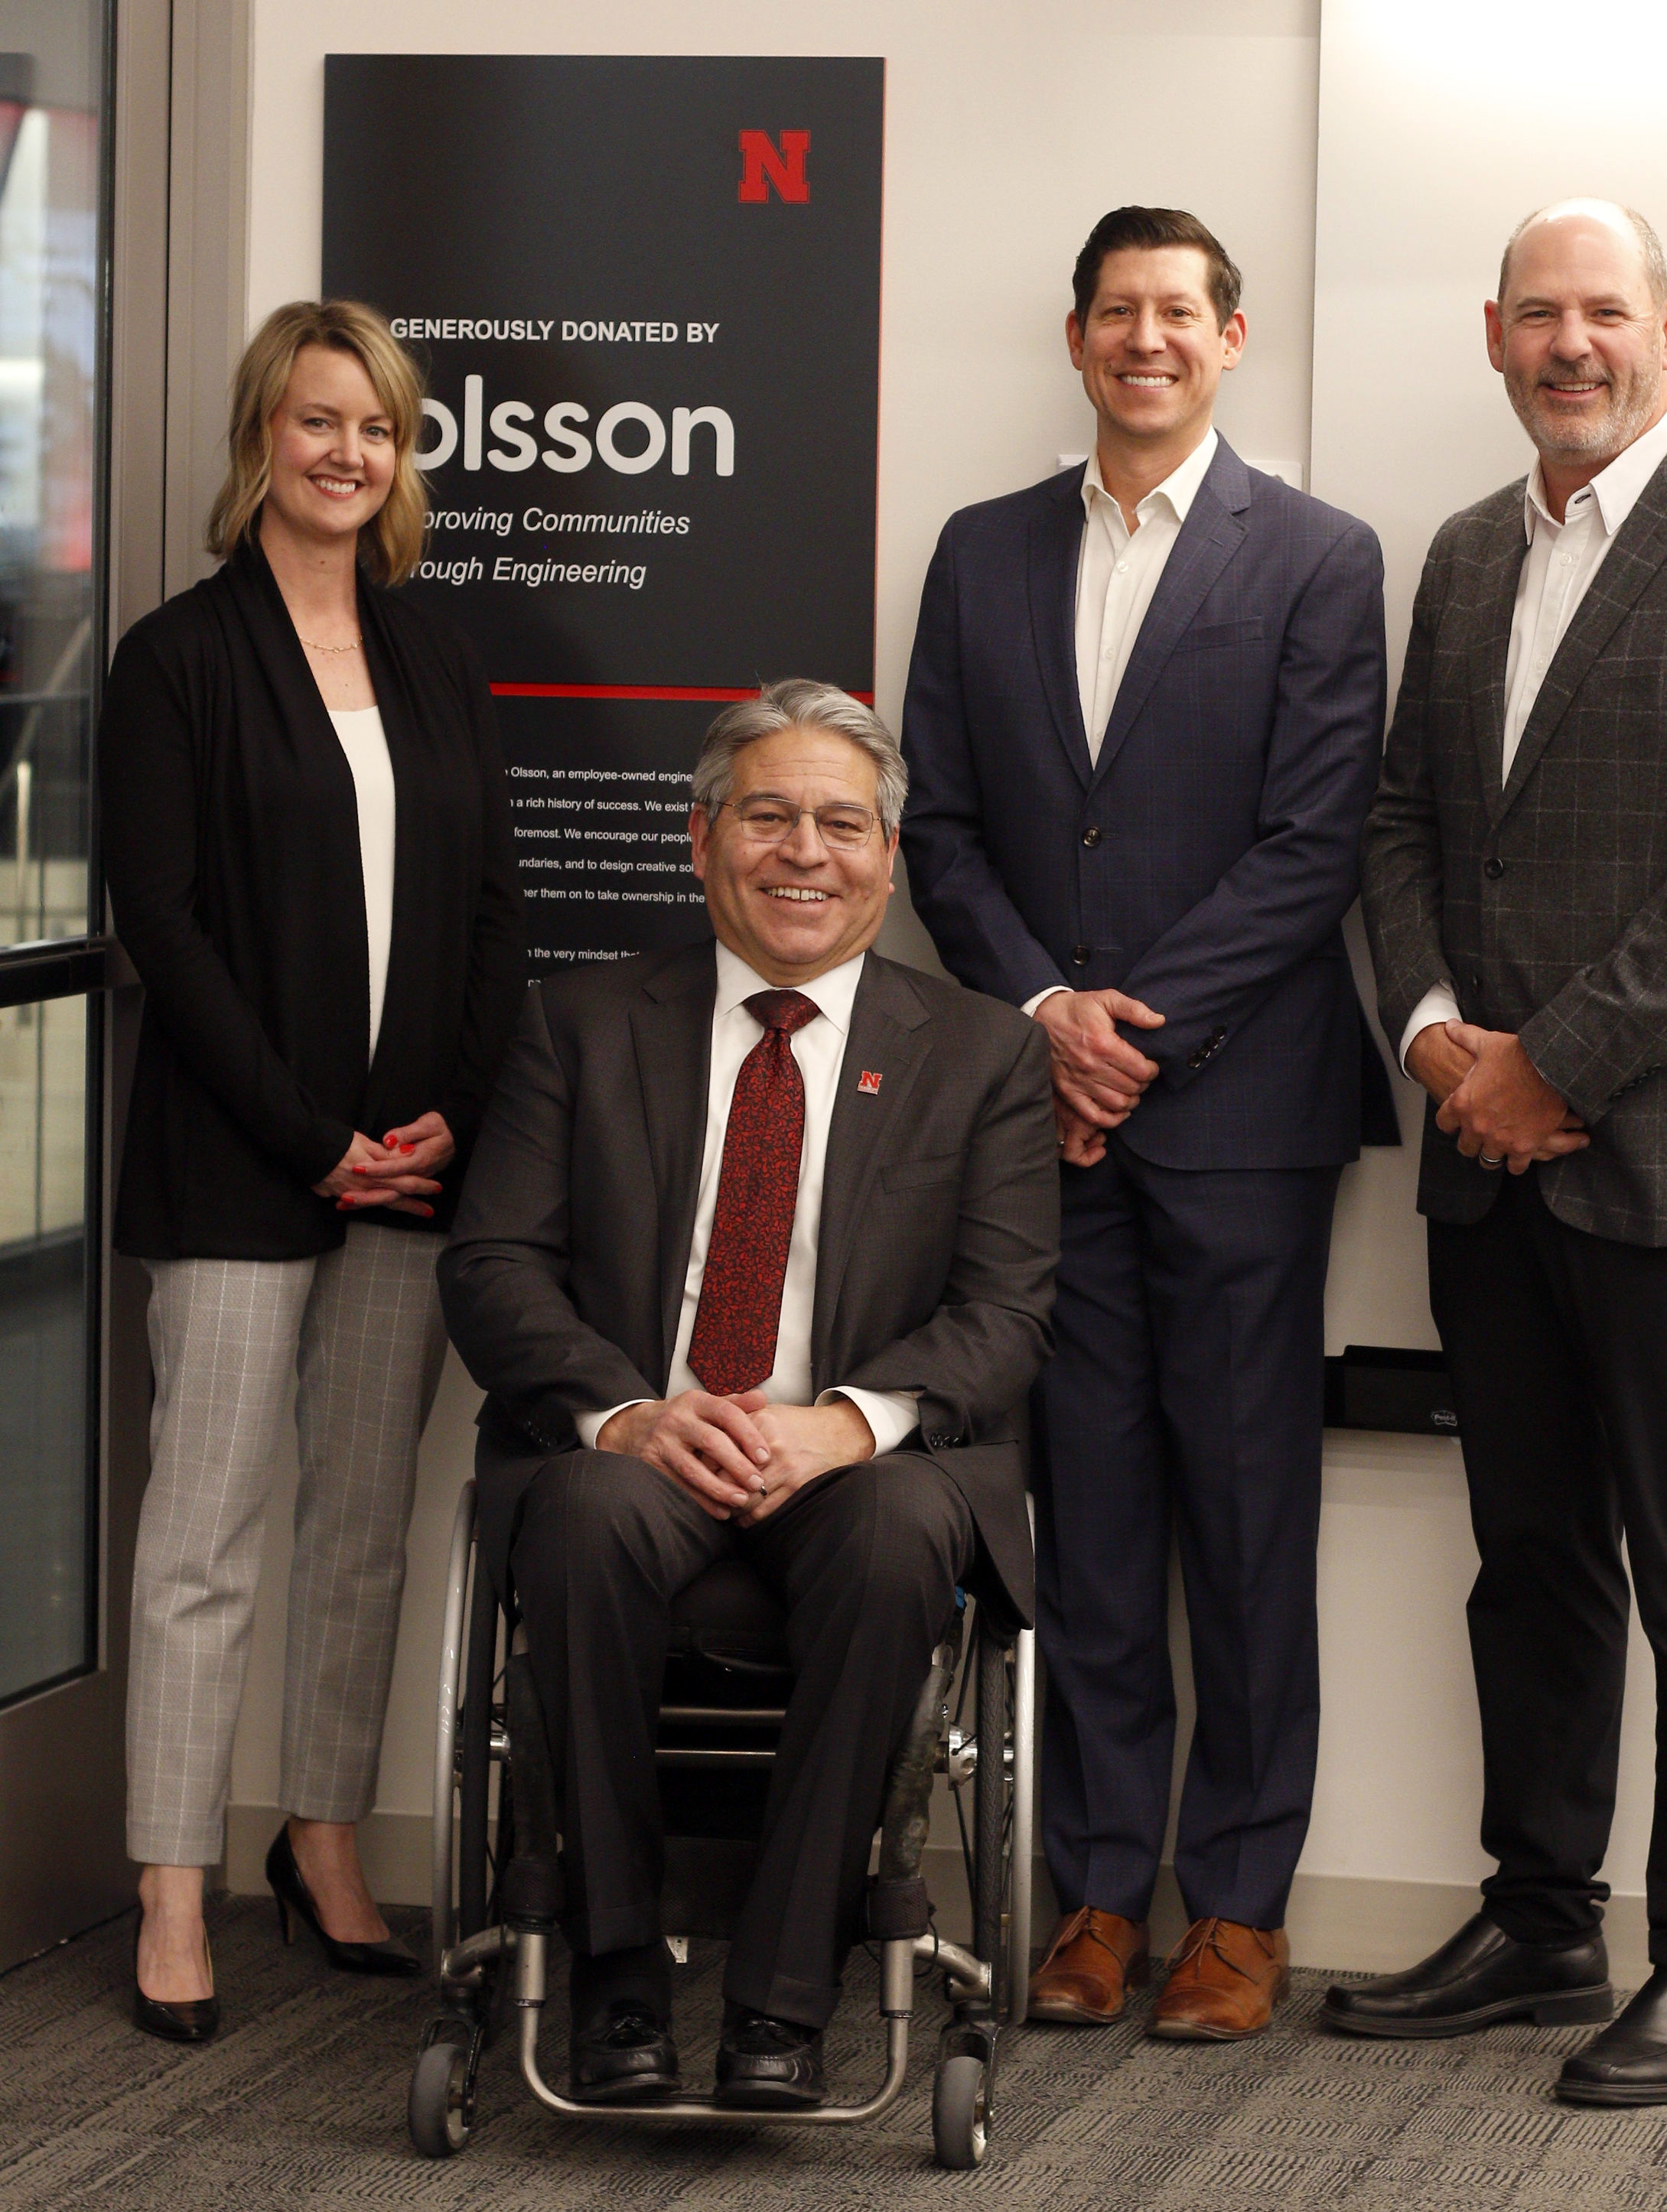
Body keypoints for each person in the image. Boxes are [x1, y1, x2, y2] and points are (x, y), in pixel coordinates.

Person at [1338, 201, 1667, 2105]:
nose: (1572, 343)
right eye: (1538, 314)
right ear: (1490, 335)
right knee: (1530, 1555)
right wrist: (1430, 1042)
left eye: (1604, 313)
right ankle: (1543, 1919)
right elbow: (1403, 827)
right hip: (1485, 1152)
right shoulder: (1472, 554)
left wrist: (1549, 1065)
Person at [901, 207, 1394, 2042]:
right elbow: (933, 823)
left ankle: (1241, 1907)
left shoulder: (1319, 559)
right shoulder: (982, 552)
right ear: (1073, 335)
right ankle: (1099, 1891)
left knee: (1250, 1520)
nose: (1145, 338)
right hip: (1041, 1118)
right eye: (1117, 311)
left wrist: (1130, 1039)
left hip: (1239, 1118)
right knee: (1087, 1514)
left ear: (1232, 337)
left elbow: (1313, 845)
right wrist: (1044, 1017)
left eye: (1178, 311)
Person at [438, 681, 1057, 2110]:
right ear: (702, 839)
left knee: (905, 1531)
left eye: (843, 823)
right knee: (584, 1517)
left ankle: (783, 2004)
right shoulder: (577, 1024)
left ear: (888, 858)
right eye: (769, 816)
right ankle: (616, 1985)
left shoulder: (979, 1054)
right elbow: (494, 1267)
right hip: (635, 1455)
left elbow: (1007, 1311)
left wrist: (840, 1425)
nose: (805, 852)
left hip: (856, 1468)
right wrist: (632, 1414)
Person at [100, 301, 527, 2043]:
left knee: (361, 1532)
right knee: (202, 1541)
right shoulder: (179, 658)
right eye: (317, 421)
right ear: (259, 437)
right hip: (237, 1165)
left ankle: (325, 1843)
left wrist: (445, 1113)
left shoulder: (437, 654)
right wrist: (308, 1135)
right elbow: (167, 929)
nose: (348, 454)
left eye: (380, 430)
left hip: (413, 1168)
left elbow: (494, 909)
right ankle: (174, 1889)